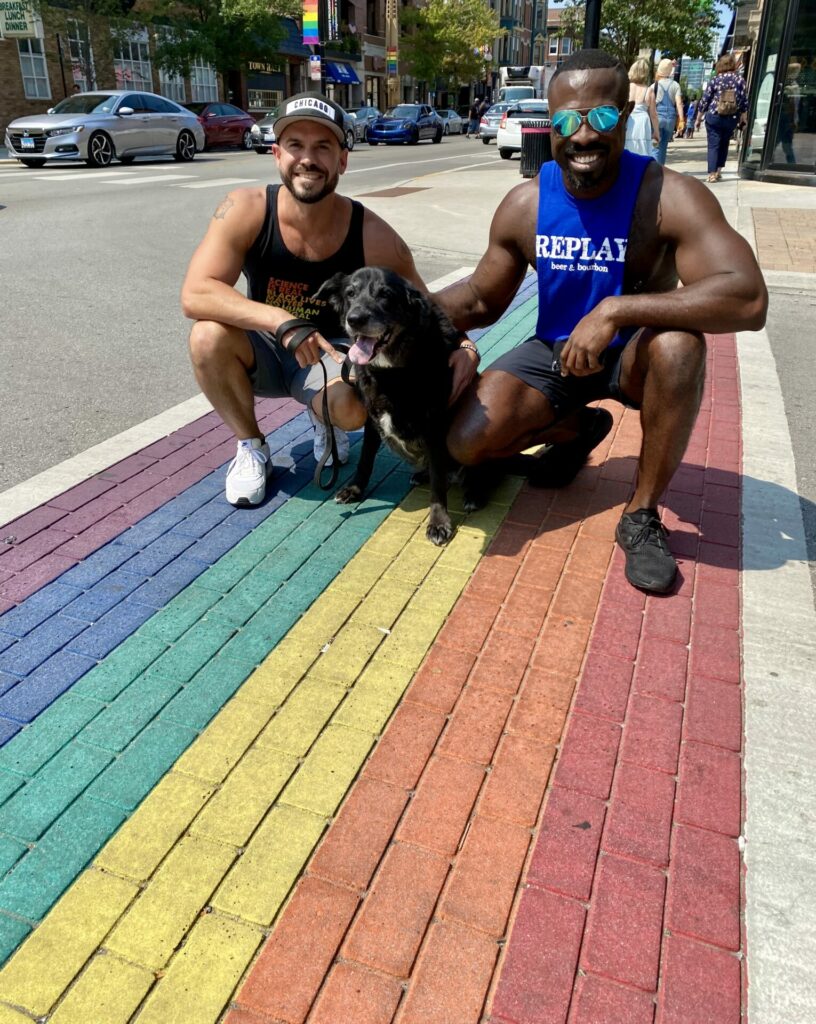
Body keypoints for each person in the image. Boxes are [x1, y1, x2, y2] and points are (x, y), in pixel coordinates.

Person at [434, 49, 767, 594]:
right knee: (466, 443)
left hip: (635, 355)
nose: (583, 134)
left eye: (603, 118)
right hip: (558, 354)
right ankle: (577, 430)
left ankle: (641, 514)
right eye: (567, 120)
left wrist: (617, 310)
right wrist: (393, 312)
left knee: (680, 346)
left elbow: (748, 299)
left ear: (625, 116)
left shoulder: (668, 196)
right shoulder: (526, 203)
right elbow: (477, 300)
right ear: (551, 125)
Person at [181, 92, 479, 507]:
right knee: (206, 337)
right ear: (276, 154)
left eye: (323, 147)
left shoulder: (373, 234)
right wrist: (280, 319)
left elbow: (423, 306)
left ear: (342, 160)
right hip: (269, 343)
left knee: (352, 408)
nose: (308, 158)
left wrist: (463, 345)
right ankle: (251, 446)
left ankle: (326, 420)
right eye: (295, 145)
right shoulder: (245, 208)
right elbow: (196, 292)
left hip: (331, 357)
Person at [695, 54, 748, 182]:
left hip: (714, 115)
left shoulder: (715, 80)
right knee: (724, 144)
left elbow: (705, 100)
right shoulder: (740, 80)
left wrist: (698, 118)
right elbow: (743, 100)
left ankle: (712, 174)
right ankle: (718, 170)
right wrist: (743, 118)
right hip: (731, 117)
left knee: (713, 145)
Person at [651, 58, 685, 164]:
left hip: (657, 118)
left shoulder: (654, 86)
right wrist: (681, 120)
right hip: (670, 119)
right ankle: (661, 169)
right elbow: (679, 103)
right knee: (664, 146)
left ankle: (654, 171)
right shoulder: (675, 85)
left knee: (655, 146)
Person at [624, 57, 658, 157]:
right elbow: (653, 114)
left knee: (626, 146)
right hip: (642, 122)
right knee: (642, 151)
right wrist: (656, 132)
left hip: (628, 119)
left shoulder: (626, 88)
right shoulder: (649, 90)